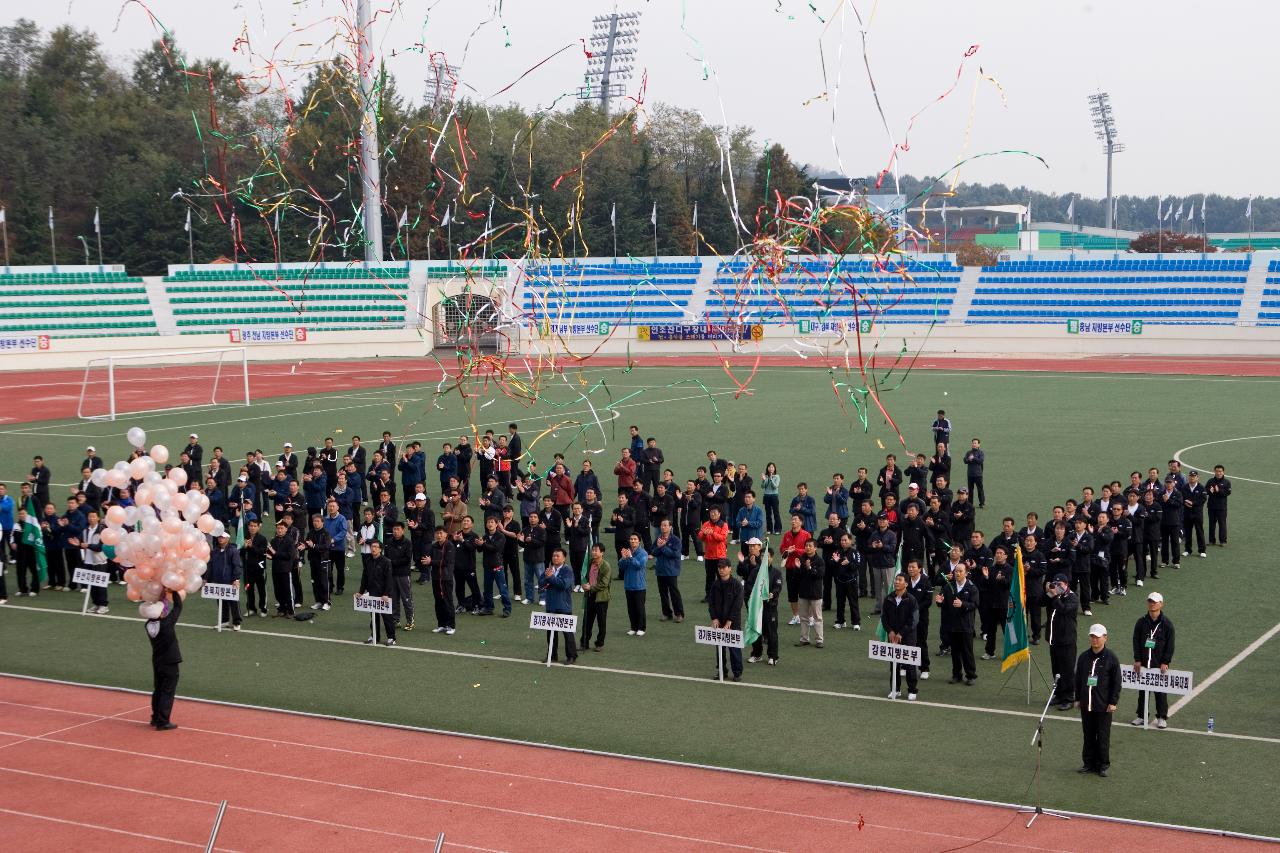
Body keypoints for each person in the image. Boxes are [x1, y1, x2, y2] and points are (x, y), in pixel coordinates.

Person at [1075, 623, 1122, 777]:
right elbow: (1078, 679)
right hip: (1086, 704)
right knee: (1088, 734)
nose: (1094, 640)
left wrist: (1113, 702)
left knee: (1102, 735)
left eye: (1097, 637)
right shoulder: (1083, 657)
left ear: (1105, 638)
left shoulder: (1111, 658)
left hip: (1103, 706)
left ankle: (1103, 765)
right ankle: (1088, 763)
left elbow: (1116, 682)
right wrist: (1077, 698)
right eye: (1092, 637)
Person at [1131, 591, 1176, 729]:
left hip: (1159, 663)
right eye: (1150, 601)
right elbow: (1136, 641)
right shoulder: (1141, 622)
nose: (1152, 604)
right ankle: (1141, 715)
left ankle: (1162, 717)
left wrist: (1165, 662)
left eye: (1155, 602)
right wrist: (1137, 659)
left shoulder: (1167, 624)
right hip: (1144, 662)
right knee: (1142, 690)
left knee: (1160, 691)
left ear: (1161, 604)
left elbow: (1170, 645)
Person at [146, 589, 185, 730]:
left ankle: (155, 718)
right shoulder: (166, 625)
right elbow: (178, 607)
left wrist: (161, 595)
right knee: (167, 692)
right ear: (160, 614)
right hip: (170, 662)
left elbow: (155, 614)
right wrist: (174, 590)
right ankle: (163, 721)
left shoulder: (148, 625)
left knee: (158, 690)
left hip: (157, 662)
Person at [935, 563, 978, 685]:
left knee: (967, 652)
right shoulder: (949, 586)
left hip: (965, 626)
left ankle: (971, 675)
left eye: (960, 571)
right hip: (952, 625)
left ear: (966, 573)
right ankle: (956, 675)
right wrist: (939, 602)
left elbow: (975, 604)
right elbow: (944, 604)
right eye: (956, 571)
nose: (957, 573)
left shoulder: (971, 587)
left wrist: (963, 604)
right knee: (955, 652)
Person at [881, 573, 920, 700]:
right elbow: (884, 618)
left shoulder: (911, 600)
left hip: (908, 637)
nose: (896, 582)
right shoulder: (888, 598)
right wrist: (890, 631)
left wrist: (901, 633)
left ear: (906, 584)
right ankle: (895, 689)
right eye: (896, 580)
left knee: (909, 664)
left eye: (900, 580)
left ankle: (912, 690)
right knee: (894, 663)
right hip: (893, 637)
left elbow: (913, 621)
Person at [743, 541, 782, 665]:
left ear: (771, 557)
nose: (765, 559)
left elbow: (778, 587)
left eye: (768, 556)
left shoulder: (776, 573)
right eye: (762, 556)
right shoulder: (755, 572)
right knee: (756, 631)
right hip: (757, 608)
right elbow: (749, 587)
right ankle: (756, 654)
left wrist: (772, 594)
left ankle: (773, 656)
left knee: (771, 633)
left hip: (770, 608)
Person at [707, 558, 745, 681]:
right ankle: (721, 670)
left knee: (734, 648)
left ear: (730, 569)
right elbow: (711, 603)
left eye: (723, 567)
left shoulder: (737, 585)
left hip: (733, 623)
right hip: (719, 621)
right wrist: (714, 618)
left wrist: (729, 620)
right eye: (720, 568)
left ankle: (737, 672)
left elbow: (737, 605)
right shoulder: (715, 585)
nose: (721, 570)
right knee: (720, 648)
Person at [1046, 574, 1079, 710]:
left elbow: (1064, 609)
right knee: (1056, 669)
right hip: (1054, 640)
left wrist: (1054, 596)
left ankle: (1069, 698)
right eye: (1055, 584)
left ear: (1066, 584)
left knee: (1067, 671)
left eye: (1059, 584)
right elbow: (1040, 602)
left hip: (1067, 641)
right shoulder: (1055, 596)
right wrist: (1047, 591)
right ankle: (1059, 694)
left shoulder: (1072, 597)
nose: (1057, 586)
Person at [541, 549, 578, 664]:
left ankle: (571, 656)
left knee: (567, 633)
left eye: (557, 556)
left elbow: (563, 585)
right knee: (551, 632)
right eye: (553, 556)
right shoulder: (549, 569)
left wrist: (550, 578)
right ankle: (552, 655)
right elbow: (541, 582)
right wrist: (548, 578)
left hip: (563, 606)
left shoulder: (567, 571)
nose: (555, 558)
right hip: (551, 605)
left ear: (564, 558)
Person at [359, 539, 396, 646]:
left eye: (375, 547)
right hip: (372, 593)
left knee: (387, 617)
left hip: (384, 595)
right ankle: (375, 636)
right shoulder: (368, 561)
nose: (373, 548)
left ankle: (391, 638)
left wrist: (386, 594)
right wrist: (361, 592)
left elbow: (389, 580)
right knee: (373, 616)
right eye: (372, 547)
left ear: (380, 549)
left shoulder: (386, 562)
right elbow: (364, 577)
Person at [207, 531, 244, 630]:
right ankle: (225, 621)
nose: (220, 539)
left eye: (222, 537)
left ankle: (237, 622)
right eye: (219, 537)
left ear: (227, 538)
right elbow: (210, 566)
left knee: (233, 602)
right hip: (218, 581)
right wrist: (207, 579)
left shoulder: (233, 551)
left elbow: (237, 565)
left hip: (230, 581)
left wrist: (236, 579)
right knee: (220, 601)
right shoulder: (214, 551)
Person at [904, 560, 934, 679]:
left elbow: (928, 601)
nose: (910, 569)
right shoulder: (905, 580)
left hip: (921, 617)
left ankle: (924, 668)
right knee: (906, 642)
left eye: (913, 567)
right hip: (906, 618)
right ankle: (905, 666)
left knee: (921, 642)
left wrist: (914, 609)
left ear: (920, 569)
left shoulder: (926, 581)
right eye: (909, 567)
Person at [793, 538, 825, 649]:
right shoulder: (802, 559)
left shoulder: (820, 561)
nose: (807, 547)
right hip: (803, 593)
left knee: (817, 618)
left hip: (816, 594)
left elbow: (819, 575)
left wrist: (809, 567)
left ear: (815, 548)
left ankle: (819, 640)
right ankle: (804, 639)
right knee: (803, 618)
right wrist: (797, 568)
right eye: (806, 545)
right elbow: (797, 576)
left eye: (810, 546)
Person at [780, 514, 810, 626]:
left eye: (795, 520)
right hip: (790, 568)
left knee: (805, 594)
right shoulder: (787, 535)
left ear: (801, 522)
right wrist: (787, 550)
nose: (793, 521)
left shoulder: (806, 535)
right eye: (792, 519)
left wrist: (795, 550)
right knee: (792, 594)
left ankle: (809, 617)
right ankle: (796, 616)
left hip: (802, 569)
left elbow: (808, 550)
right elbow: (781, 548)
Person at [384, 521, 415, 629]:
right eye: (394, 529)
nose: (395, 532)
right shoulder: (388, 542)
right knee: (393, 599)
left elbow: (407, 559)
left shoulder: (408, 543)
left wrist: (392, 562)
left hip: (403, 575)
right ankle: (395, 620)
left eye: (398, 529)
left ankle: (410, 621)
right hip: (392, 575)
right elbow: (386, 557)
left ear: (403, 530)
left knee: (406, 598)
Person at [652, 518, 684, 622]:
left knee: (674, 593)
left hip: (671, 570)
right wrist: (660, 547)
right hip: (660, 570)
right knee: (663, 593)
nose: (663, 527)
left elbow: (675, 554)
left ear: (670, 527)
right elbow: (653, 552)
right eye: (662, 525)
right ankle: (666, 613)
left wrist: (663, 547)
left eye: (665, 525)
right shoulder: (658, 538)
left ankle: (679, 614)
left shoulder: (675, 540)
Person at [426, 526, 456, 634]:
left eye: (441, 533)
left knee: (448, 602)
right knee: (438, 602)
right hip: (435, 577)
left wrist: (431, 562)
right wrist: (426, 560)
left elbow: (446, 562)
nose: (439, 535)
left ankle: (451, 626)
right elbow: (428, 558)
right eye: (437, 533)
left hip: (446, 578)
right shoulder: (433, 546)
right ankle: (441, 624)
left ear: (445, 534)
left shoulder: (450, 546)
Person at [581, 543, 611, 650]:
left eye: (596, 550)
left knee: (601, 622)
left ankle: (599, 643)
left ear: (602, 553)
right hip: (590, 596)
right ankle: (584, 643)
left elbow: (604, 584)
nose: (593, 552)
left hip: (601, 598)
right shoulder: (590, 563)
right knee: (587, 621)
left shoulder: (605, 566)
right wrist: (585, 586)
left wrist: (591, 587)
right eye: (592, 550)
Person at [619, 533, 648, 636]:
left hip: (639, 586)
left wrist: (630, 557)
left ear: (639, 541)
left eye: (635, 539)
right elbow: (621, 567)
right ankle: (633, 627)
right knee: (631, 608)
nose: (633, 541)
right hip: (628, 585)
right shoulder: (627, 552)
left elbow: (639, 566)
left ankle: (641, 628)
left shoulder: (643, 553)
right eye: (631, 539)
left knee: (640, 608)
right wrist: (623, 558)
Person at [698, 505, 729, 602]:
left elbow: (722, 538)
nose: (713, 514)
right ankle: (709, 596)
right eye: (711, 512)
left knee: (722, 577)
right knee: (709, 578)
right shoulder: (706, 524)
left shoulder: (723, 524)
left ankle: (723, 596)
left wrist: (712, 533)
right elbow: (700, 537)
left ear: (719, 514)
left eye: (715, 512)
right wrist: (704, 534)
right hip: (708, 556)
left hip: (720, 556)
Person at [304, 513, 333, 612]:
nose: (315, 523)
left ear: (322, 523)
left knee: (324, 582)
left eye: (317, 521)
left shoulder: (326, 533)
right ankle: (318, 601)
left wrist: (314, 546)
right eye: (314, 521)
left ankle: (326, 602)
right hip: (313, 561)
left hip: (323, 561)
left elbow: (326, 547)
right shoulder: (311, 532)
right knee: (315, 582)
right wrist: (304, 546)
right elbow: (307, 543)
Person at [241, 517, 269, 617]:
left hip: (259, 568)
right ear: (248, 527)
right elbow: (240, 553)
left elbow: (262, 552)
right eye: (251, 526)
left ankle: (263, 608)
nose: (252, 528)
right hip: (248, 568)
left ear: (258, 527)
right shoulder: (244, 537)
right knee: (249, 589)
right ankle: (251, 608)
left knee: (261, 589)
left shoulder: (262, 539)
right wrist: (244, 548)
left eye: (254, 526)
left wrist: (251, 547)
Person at [1181, 470, 1207, 559]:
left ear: (1197, 478)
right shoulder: (1184, 487)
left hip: (1197, 514)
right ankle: (1187, 550)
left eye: (1194, 476)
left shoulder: (1201, 488)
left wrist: (1192, 503)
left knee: (1199, 531)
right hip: (1187, 513)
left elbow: (1203, 499)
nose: (1192, 478)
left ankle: (1202, 550)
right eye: (1190, 476)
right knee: (1187, 532)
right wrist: (1185, 502)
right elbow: (1182, 498)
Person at [1206, 465, 1230, 547]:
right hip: (1211, 507)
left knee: (1222, 524)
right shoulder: (1210, 481)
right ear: (1214, 471)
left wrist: (1218, 490)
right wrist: (1210, 491)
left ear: (1223, 472)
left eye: (1220, 471)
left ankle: (1223, 541)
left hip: (1221, 507)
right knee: (1211, 524)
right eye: (1217, 471)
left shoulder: (1227, 482)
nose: (1218, 473)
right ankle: (1211, 540)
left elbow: (1227, 493)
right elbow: (1205, 491)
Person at [962, 438, 986, 508]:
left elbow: (981, 461)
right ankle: (970, 503)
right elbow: (965, 461)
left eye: (975, 443)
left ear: (979, 444)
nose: (974, 444)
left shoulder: (981, 452)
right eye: (973, 443)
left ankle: (982, 503)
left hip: (978, 474)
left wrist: (974, 458)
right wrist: (969, 459)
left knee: (980, 489)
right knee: (970, 490)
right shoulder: (968, 452)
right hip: (970, 474)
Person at [760, 463, 782, 535]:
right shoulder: (765, 476)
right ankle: (769, 529)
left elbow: (775, 486)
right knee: (768, 514)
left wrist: (771, 479)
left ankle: (777, 529)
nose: (771, 468)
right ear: (767, 468)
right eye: (769, 467)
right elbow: (763, 486)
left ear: (774, 468)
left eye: (772, 467)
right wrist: (764, 480)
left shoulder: (777, 476)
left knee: (776, 513)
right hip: (766, 496)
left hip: (774, 496)